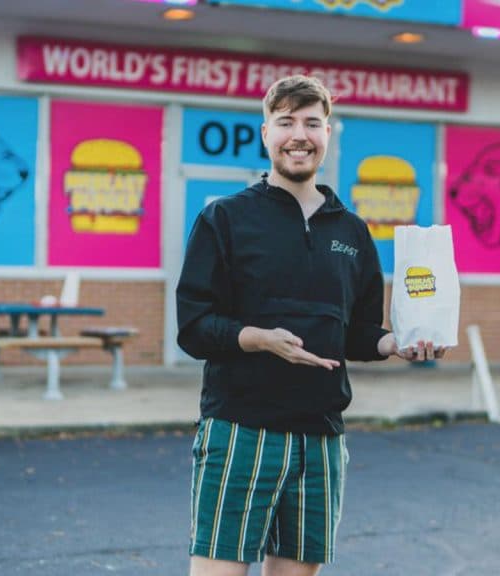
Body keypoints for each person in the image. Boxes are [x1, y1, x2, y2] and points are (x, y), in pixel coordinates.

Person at [177, 75, 445, 576]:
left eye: (311, 123)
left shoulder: (351, 230)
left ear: (328, 133)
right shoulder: (225, 220)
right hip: (240, 429)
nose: (298, 134)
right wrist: (259, 339)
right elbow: (193, 327)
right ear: (265, 133)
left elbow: (358, 332)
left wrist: (396, 344)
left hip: (320, 436)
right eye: (286, 122)